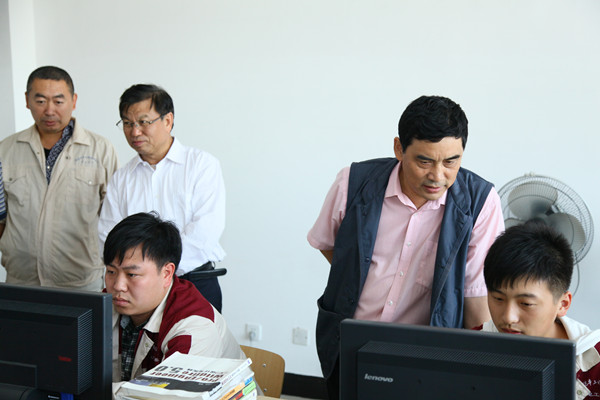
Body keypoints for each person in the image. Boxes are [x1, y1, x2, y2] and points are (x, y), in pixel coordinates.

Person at [307, 95, 505, 398]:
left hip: (427, 354)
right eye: (424, 161)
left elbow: (475, 297)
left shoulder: (480, 203)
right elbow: (328, 244)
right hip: (351, 342)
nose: (437, 176)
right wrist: (366, 275)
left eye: (451, 162)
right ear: (399, 148)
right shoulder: (353, 183)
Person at [98, 84, 226, 311]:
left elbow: (205, 232)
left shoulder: (201, 165)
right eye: (127, 123)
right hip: (136, 290)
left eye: (143, 122)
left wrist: (154, 274)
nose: (135, 132)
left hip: (193, 283)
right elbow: (109, 236)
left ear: (168, 120)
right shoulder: (122, 178)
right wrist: (144, 277)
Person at [0, 66, 118, 290]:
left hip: (82, 282)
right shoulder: (5, 150)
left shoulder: (101, 150)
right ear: (27, 100)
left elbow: (113, 218)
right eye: (40, 101)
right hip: (21, 281)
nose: (49, 110)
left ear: (74, 101)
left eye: (58, 101)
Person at [105, 212, 244, 394]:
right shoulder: (100, 307)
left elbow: (166, 396)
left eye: (132, 274)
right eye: (111, 271)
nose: (118, 286)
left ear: (167, 273)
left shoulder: (194, 325)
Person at [476, 222, 600, 399]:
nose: (508, 317)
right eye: (498, 299)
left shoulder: (595, 361)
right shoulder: (471, 346)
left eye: (526, 304)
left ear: (563, 304)